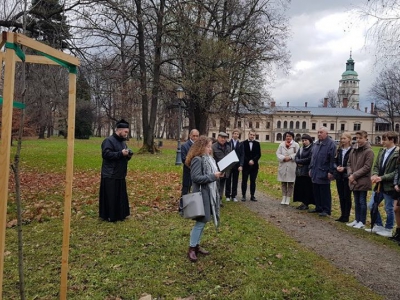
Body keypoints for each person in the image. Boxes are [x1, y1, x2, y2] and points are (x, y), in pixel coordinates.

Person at [185, 136, 224, 262]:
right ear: (201, 147)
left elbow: (210, 175)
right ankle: (192, 248)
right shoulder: (197, 159)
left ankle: (196, 245)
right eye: (208, 146)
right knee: (200, 222)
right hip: (202, 195)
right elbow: (196, 178)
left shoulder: (209, 159)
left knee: (204, 221)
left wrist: (218, 175)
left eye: (210, 146)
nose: (210, 149)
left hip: (209, 194)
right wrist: (213, 176)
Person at [365, 131, 399, 236]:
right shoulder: (382, 151)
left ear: (392, 140)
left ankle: (388, 228)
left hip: (389, 186)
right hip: (379, 185)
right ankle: (378, 225)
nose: (382, 141)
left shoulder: (397, 153)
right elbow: (376, 166)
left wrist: (382, 177)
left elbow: (396, 172)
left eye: (384, 139)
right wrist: (375, 174)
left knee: (389, 208)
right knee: (372, 205)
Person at [99, 119, 133, 222]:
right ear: (119, 130)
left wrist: (128, 154)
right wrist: (120, 154)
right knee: (111, 196)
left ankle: (120, 214)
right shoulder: (108, 141)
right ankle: (110, 216)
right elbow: (106, 154)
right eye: (125, 132)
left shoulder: (123, 142)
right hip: (110, 173)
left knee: (120, 195)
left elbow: (123, 154)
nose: (127, 134)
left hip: (120, 173)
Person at [346, 130, 374, 228]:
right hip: (353, 179)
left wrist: (355, 175)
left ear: (366, 138)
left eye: (360, 138)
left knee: (362, 201)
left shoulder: (369, 151)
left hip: (362, 180)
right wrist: (350, 174)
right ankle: (357, 219)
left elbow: (367, 167)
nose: (358, 140)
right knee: (356, 201)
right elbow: (349, 163)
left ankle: (362, 221)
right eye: (357, 138)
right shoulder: (354, 149)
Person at [308, 127, 336, 217]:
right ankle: (318, 207)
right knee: (316, 190)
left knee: (324, 192)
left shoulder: (331, 144)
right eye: (318, 132)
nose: (319, 134)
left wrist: (331, 171)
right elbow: (312, 157)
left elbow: (332, 160)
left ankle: (326, 209)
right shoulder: (316, 143)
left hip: (324, 171)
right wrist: (310, 168)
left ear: (326, 133)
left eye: (321, 132)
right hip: (315, 171)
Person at [334, 133, 353, 223]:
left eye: (344, 138)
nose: (342, 140)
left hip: (347, 175)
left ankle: (346, 215)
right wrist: (336, 167)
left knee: (347, 196)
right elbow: (335, 160)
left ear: (349, 139)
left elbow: (353, 164)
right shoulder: (339, 150)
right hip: (339, 175)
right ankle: (342, 215)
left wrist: (344, 168)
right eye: (341, 138)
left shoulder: (352, 150)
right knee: (341, 196)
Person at [276, 131, 300, 205]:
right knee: (283, 182)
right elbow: (278, 153)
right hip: (283, 165)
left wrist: (290, 157)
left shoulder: (296, 145)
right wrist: (283, 158)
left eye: (289, 136)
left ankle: (288, 198)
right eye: (287, 136)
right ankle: (283, 197)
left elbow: (298, 154)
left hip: (291, 165)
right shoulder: (281, 144)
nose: (288, 137)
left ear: (292, 137)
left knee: (290, 183)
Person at [293, 134, 315, 210]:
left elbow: (310, 159)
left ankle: (306, 203)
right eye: (303, 140)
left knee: (307, 188)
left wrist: (300, 161)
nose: (304, 142)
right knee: (301, 187)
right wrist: (297, 161)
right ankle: (303, 202)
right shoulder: (301, 148)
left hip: (307, 171)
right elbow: (296, 156)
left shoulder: (312, 148)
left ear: (309, 141)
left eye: (306, 140)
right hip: (300, 171)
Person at [241, 129, 261, 201]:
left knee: (253, 181)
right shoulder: (243, 143)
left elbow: (259, 154)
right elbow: (243, 154)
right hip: (246, 165)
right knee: (244, 181)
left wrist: (253, 160)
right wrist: (248, 160)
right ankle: (243, 195)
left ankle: (252, 195)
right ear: (248, 134)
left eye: (253, 135)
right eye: (251, 134)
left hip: (254, 166)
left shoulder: (257, 144)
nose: (252, 136)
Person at [225, 128, 244, 202]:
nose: (236, 135)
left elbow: (242, 155)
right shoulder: (228, 143)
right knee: (228, 180)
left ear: (238, 135)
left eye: (237, 134)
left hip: (237, 165)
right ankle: (227, 195)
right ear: (232, 134)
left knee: (235, 181)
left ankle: (234, 195)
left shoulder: (240, 144)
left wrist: (241, 165)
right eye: (235, 133)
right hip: (229, 164)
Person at [212, 132, 231, 202]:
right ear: (218, 138)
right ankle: (214, 199)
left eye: (224, 138)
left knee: (222, 185)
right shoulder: (213, 146)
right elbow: (211, 159)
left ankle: (219, 199)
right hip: (216, 170)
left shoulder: (228, 147)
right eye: (221, 137)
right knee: (216, 185)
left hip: (225, 170)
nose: (223, 139)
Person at [181, 129, 200, 196]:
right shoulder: (184, 146)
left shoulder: (200, 146)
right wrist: (193, 165)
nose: (195, 138)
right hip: (188, 171)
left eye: (197, 136)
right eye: (193, 136)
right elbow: (183, 159)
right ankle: (183, 204)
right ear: (190, 136)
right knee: (186, 188)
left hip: (198, 171)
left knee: (196, 188)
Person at [389, 159, 400, 244]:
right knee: (396, 209)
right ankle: (398, 232)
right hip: (397, 187)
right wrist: (396, 184)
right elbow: (397, 171)